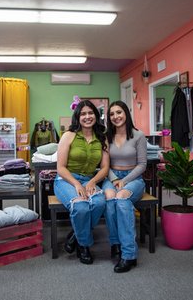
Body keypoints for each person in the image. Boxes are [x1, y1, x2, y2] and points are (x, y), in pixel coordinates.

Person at [53, 99, 109, 265]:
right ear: (77, 117)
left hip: (90, 180)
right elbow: (60, 168)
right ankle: (84, 246)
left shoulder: (101, 138)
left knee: (99, 203)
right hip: (66, 180)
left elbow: (105, 168)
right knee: (81, 206)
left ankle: (74, 237)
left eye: (90, 113)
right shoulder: (68, 136)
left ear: (96, 115)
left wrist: (92, 182)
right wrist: (77, 184)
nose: (87, 117)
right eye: (83, 113)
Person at [102, 100, 147, 273]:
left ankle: (129, 254)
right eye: (112, 114)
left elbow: (142, 165)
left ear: (126, 113)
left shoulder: (138, 135)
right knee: (110, 198)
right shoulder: (106, 136)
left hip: (134, 178)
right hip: (111, 176)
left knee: (121, 200)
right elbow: (104, 165)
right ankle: (115, 244)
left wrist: (125, 181)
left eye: (119, 112)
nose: (116, 116)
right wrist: (114, 180)